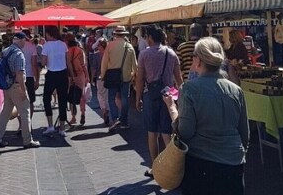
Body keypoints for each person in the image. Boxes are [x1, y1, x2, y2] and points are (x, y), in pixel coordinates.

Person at [163, 37, 249, 195]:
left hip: (202, 164)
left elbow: (186, 132)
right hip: (234, 163)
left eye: (194, 55)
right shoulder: (236, 90)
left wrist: (172, 108)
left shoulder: (189, 89)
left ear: (199, 60)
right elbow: (244, 132)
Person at [135, 26, 183, 178]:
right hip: (168, 96)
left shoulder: (144, 54)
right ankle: (172, 168)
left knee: (152, 132)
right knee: (167, 133)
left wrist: (137, 99)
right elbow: (179, 79)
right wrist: (181, 97)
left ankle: (155, 167)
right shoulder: (171, 53)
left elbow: (140, 79)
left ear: (149, 37)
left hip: (150, 95)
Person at [0, 32, 40, 149]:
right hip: (16, 86)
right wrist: (23, 91)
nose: (25, 42)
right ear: (20, 40)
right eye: (24, 40)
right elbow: (19, 73)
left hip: (6, 86)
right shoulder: (18, 54)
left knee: (5, 114)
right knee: (25, 113)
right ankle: (27, 140)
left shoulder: (5, 51)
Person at [101, 25, 137, 131]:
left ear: (115, 34)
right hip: (125, 77)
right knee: (125, 99)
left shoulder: (110, 46)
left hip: (112, 77)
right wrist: (134, 76)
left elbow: (104, 62)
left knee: (111, 98)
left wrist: (103, 75)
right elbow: (135, 64)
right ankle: (124, 121)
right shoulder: (129, 46)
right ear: (124, 34)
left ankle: (115, 118)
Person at [42, 25, 70, 136]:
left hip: (51, 74)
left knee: (46, 99)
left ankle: (50, 125)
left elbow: (44, 62)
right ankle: (62, 128)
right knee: (63, 100)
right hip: (63, 74)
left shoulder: (46, 45)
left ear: (50, 34)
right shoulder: (63, 45)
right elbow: (67, 61)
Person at [66, 33, 89, 126]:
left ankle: (73, 117)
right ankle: (82, 113)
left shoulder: (66, 51)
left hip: (70, 75)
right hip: (80, 74)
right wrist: (87, 76)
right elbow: (83, 64)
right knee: (82, 95)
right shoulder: (80, 51)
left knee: (71, 94)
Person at [20, 29, 39, 126]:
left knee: (19, 101)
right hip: (30, 76)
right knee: (30, 101)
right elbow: (34, 64)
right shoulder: (32, 46)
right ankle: (29, 122)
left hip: (18, 77)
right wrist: (37, 79)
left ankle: (21, 125)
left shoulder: (16, 47)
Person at [95, 38, 110, 126]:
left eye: (99, 45)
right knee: (107, 95)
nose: (97, 47)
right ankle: (106, 111)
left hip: (100, 77)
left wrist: (91, 76)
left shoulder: (96, 55)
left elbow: (94, 67)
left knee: (100, 95)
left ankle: (104, 110)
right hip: (108, 77)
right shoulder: (109, 54)